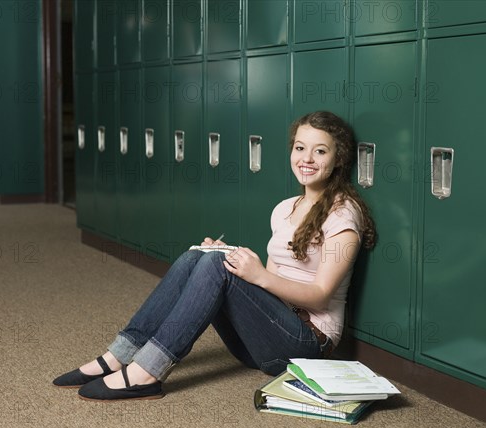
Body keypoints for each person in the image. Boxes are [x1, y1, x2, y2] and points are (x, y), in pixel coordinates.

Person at [53, 111, 377, 401]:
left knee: (216, 264)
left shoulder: (343, 217)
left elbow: (320, 297)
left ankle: (147, 371)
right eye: (300, 147)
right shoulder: (285, 209)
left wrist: (254, 274)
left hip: (305, 346)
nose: (306, 158)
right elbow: (272, 286)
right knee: (201, 256)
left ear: (339, 159)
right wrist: (234, 260)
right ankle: (119, 355)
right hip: (262, 339)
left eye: (320, 151)